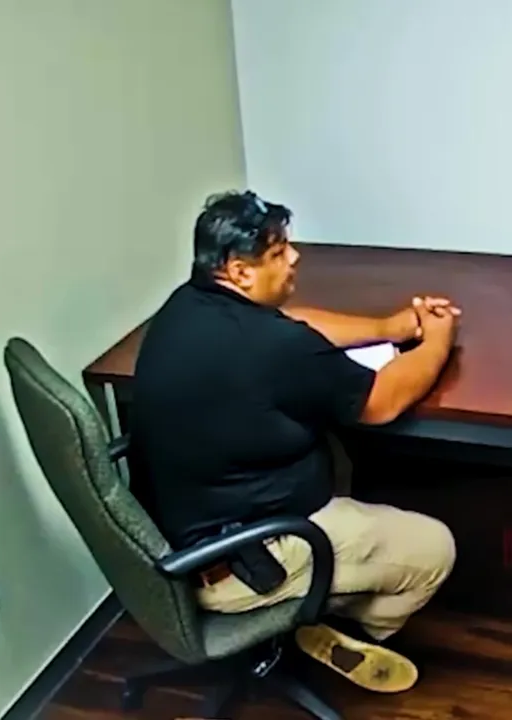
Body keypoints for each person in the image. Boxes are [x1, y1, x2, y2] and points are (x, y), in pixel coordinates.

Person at [129, 190, 460, 694]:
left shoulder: (187, 306)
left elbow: (296, 325)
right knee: (435, 549)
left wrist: (391, 327)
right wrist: (437, 338)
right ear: (240, 271)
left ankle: (320, 599)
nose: (296, 257)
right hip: (245, 560)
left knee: (336, 448)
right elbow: (382, 401)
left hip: (184, 532)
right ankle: (340, 626)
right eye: (279, 251)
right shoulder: (273, 349)